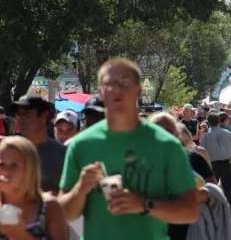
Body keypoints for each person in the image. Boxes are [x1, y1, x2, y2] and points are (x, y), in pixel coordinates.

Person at [58, 57, 198, 240]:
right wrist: (81, 188)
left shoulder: (166, 145)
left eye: (124, 83)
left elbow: (190, 211)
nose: (117, 89)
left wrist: (143, 204)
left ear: (138, 90)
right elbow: (63, 215)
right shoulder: (81, 145)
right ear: (100, 92)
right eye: (109, 83)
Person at [0, 136, 68, 240]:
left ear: (30, 169)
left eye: (14, 165)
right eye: (1, 164)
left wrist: (22, 236)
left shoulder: (49, 206)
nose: (6, 171)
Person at [10, 96, 66, 194]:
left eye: (26, 113)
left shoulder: (63, 154)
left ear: (44, 116)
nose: (20, 118)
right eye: (18, 114)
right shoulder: (8, 152)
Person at [200, 113, 231, 205]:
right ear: (218, 122)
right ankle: (228, 206)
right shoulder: (227, 133)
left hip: (212, 164)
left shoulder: (205, 136)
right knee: (228, 188)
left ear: (208, 122)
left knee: (212, 187)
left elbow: (202, 151)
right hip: (227, 162)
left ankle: (212, 205)